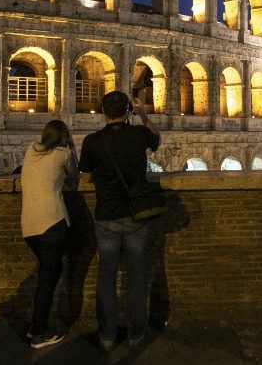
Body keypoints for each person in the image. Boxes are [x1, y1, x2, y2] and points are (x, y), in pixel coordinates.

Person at [79, 91, 160, 351]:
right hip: (137, 215)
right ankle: (137, 334)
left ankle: (106, 334)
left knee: (106, 275)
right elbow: (157, 139)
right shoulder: (138, 134)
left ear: (103, 112)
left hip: (107, 216)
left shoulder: (92, 141)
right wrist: (144, 115)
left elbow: (87, 178)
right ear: (127, 111)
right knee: (137, 275)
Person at [21, 120, 79, 349]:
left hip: (29, 226)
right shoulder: (63, 154)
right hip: (52, 223)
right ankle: (38, 331)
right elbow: (74, 176)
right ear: (64, 136)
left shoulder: (30, 150)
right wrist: (71, 146)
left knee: (48, 273)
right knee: (48, 277)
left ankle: (37, 325)